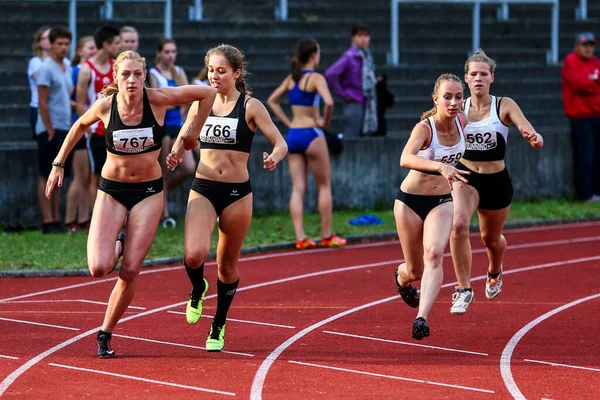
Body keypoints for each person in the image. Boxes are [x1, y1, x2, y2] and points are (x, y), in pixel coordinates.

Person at [46, 50, 217, 358]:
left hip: (148, 192)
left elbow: (207, 93)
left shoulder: (159, 99)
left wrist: (189, 137)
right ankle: (120, 243)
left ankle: (105, 332)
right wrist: (59, 163)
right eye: (126, 74)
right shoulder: (104, 106)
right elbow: (79, 126)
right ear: (116, 77)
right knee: (99, 268)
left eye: (138, 74)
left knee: (130, 272)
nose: (132, 80)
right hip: (111, 191)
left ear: (145, 75)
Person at [166, 44, 288, 352]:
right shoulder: (201, 103)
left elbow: (280, 142)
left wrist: (274, 157)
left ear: (236, 73)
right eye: (210, 70)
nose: (214, 76)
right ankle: (197, 288)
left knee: (226, 265)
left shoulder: (250, 106)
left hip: (236, 194)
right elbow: (185, 135)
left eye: (221, 71)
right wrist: (176, 154)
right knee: (194, 254)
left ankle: (218, 323)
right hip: (204, 188)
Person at [449, 49, 544, 315]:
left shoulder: (504, 105)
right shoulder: (459, 107)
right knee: (458, 226)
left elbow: (531, 131)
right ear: (466, 78)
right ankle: (464, 289)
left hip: (496, 181)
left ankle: (494, 270)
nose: (478, 78)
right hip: (466, 176)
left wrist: (533, 137)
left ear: (492, 77)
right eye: (473, 74)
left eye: (483, 74)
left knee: (490, 239)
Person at [393, 73, 469, 339]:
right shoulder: (425, 129)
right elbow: (405, 158)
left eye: (458, 97)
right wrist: (440, 166)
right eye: (447, 97)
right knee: (414, 269)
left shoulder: (463, 121)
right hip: (410, 201)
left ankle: (421, 319)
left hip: (441, 200)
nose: (453, 102)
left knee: (435, 254)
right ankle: (401, 279)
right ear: (436, 98)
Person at [267, 37, 346, 249]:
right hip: (312, 134)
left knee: (298, 188)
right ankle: (327, 235)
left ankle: (301, 238)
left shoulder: (292, 79)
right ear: (314, 55)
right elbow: (329, 102)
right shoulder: (316, 78)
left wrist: (287, 122)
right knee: (324, 186)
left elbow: (272, 100)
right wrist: (324, 123)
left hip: (293, 134)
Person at [149, 38, 192, 228]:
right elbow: (158, 102)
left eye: (173, 51)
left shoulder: (179, 71)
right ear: (159, 53)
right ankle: (163, 215)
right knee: (163, 172)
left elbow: (189, 96)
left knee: (188, 168)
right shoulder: (153, 73)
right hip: (164, 127)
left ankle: (161, 196)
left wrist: (180, 109)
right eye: (167, 52)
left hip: (178, 125)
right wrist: (176, 103)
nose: (170, 55)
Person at [76, 26, 121, 206]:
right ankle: (97, 216)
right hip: (96, 130)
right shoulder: (87, 70)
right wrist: (86, 126)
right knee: (96, 175)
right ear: (106, 44)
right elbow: (80, 103)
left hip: (115, 128)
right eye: (116, 43)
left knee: (115, 174)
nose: (119, 47)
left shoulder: (116, 67)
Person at [36, 25, 73, 234]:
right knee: (45, 174)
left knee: (59, 173)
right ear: (51, 44)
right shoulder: (46, 67)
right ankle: (47, 219)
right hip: (49, 128)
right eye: (60, 43)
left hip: (63, 126)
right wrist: (49, 128)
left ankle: (56, 218)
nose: (64, 48)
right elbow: (42, 102)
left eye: (67, 43)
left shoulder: (66, 66)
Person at [561, 32, 600, 202]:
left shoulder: (595, 62)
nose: (589, 48)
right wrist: (594, 82)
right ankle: (583, 193)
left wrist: (592, 81)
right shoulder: (571, 61)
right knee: (585, 155)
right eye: (585, 45)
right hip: (580, 117)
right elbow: (579, 84)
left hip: (597, 115)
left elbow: (587, 84)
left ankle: (596, 191)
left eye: (591, 45)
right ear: (577, 46)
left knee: (598, 155)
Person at [65, 36, 97, 232]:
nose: (94, 51)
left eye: (95, 47)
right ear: (80, 51)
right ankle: (70, 220)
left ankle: (83, 218)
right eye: (90, 48)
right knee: (80, 176)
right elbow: (69, 97)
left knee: (86, 176)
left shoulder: (89, 71)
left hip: (88, 127)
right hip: (79, 127)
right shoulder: (77, 71)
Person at [324, 24, 378, 137]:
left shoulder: (367, 56)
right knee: (352, 135)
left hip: (367, 101)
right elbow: (330, 74)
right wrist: (343, 94)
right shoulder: (349, 56)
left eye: (366, 35)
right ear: (353, 38)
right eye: (359, 35)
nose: (363, 39)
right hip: (354, 100)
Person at [27, 25, 52, 138]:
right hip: (39, 108)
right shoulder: (35, 62)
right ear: (39, 43)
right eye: (46, 38)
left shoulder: (65, 62)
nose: (50, 40)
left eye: (52, 37)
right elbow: (44, 81)